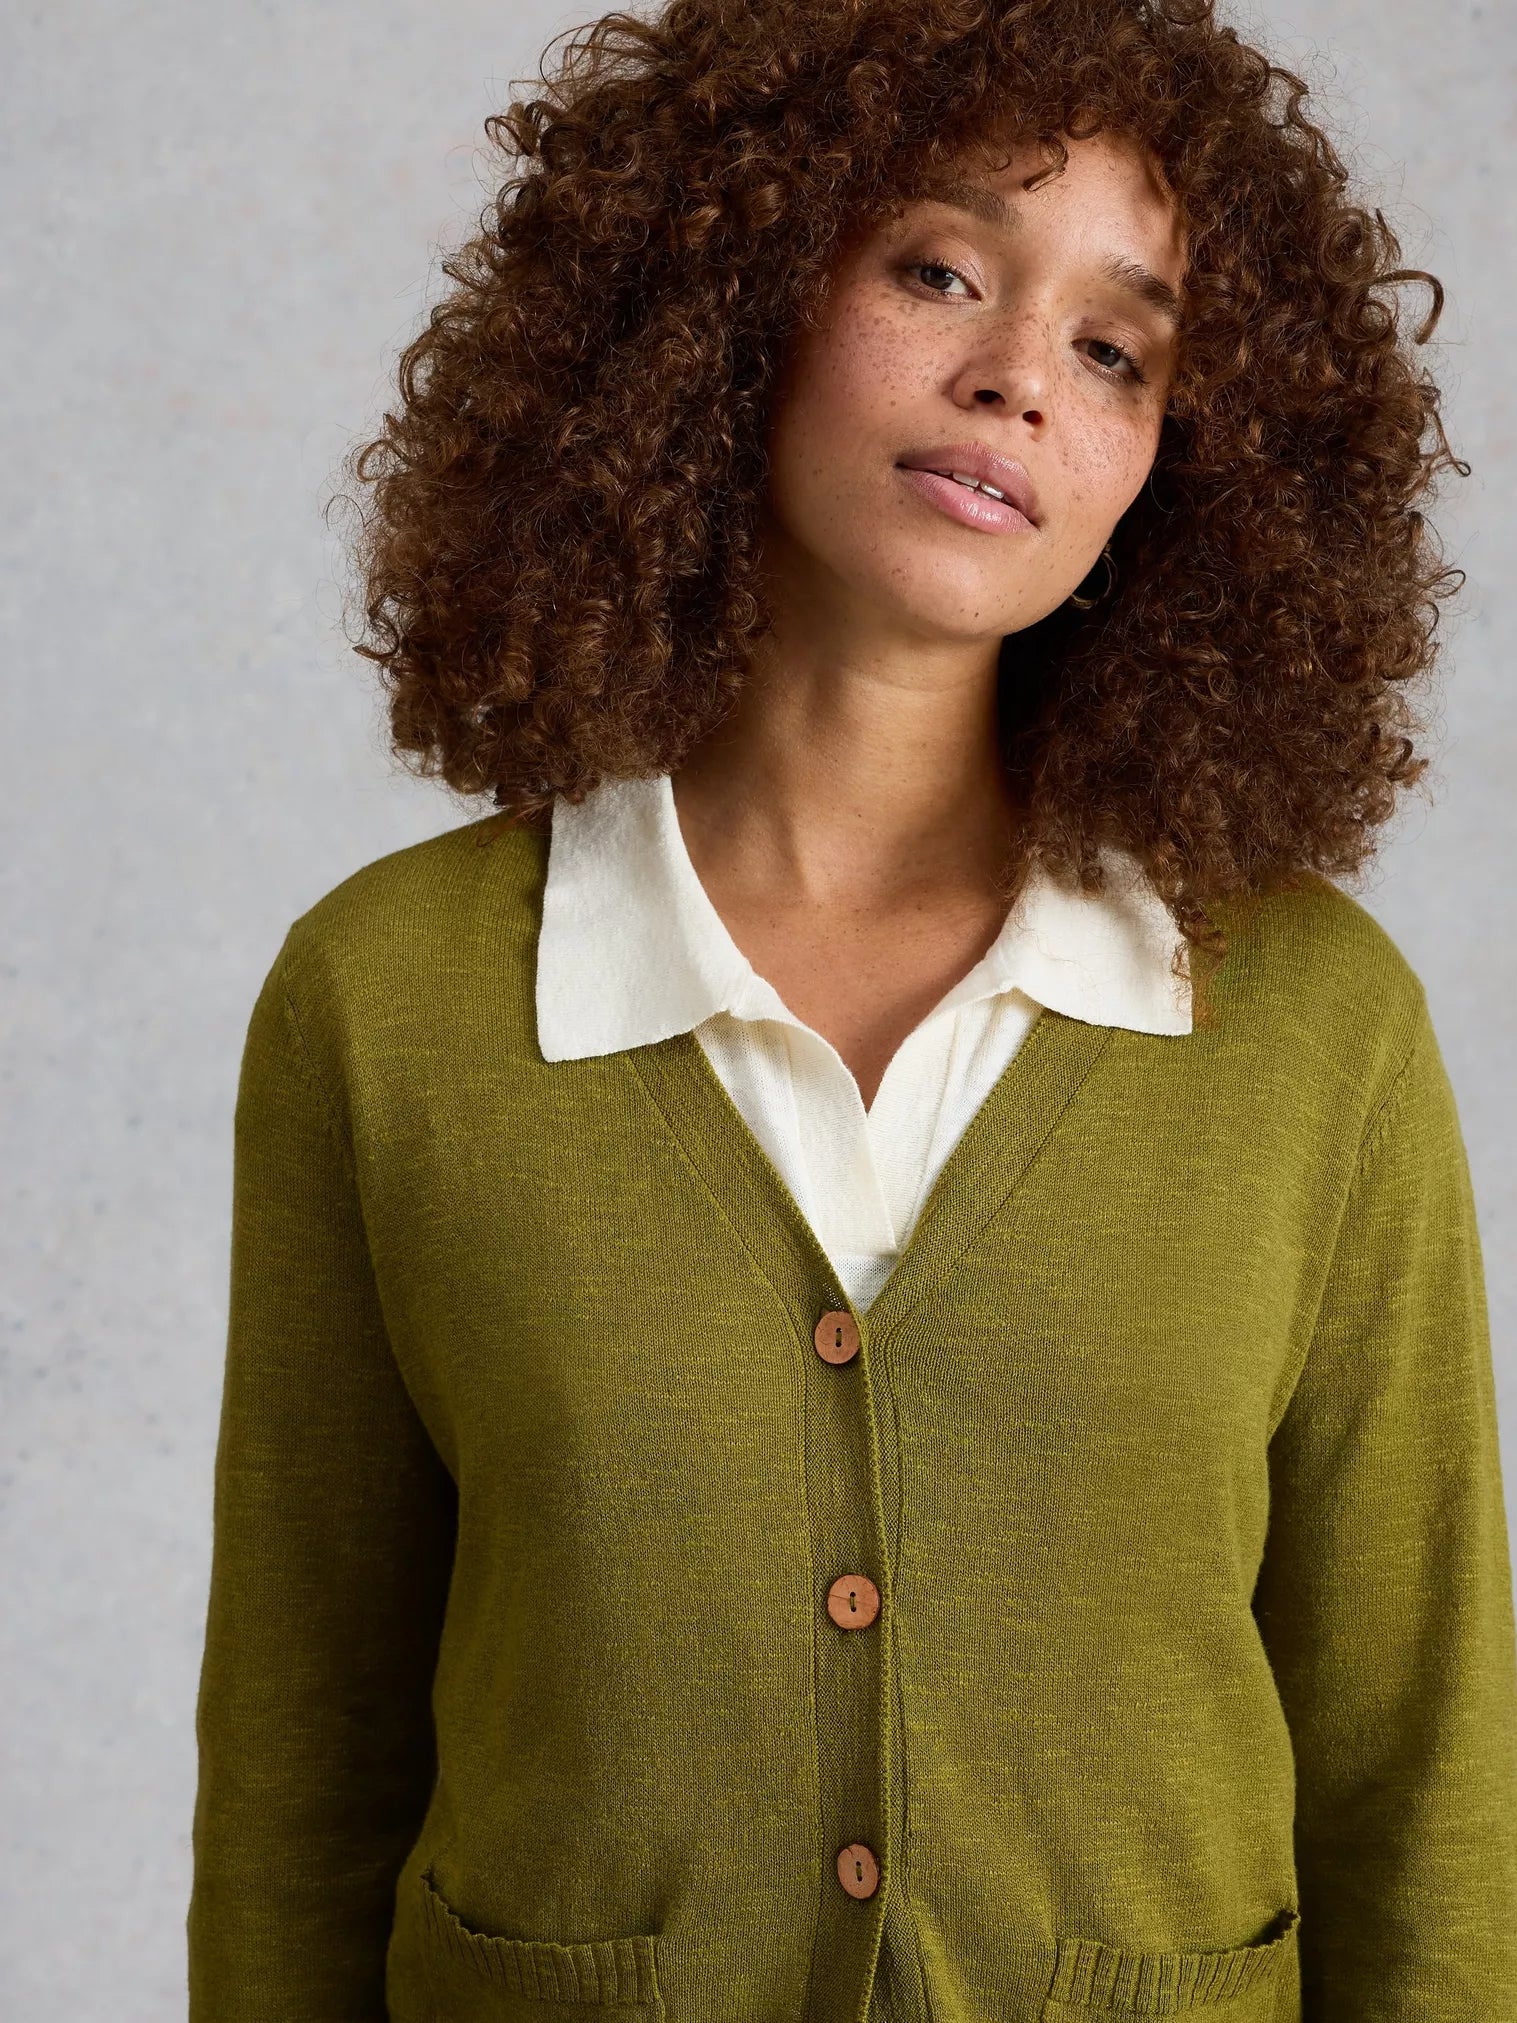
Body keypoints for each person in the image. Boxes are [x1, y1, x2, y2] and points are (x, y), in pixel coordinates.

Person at [186, 1, 1517, 2018]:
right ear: (731, 288)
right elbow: (305, 1768)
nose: (1015, 385)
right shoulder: (394, 1005)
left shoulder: (1312, 1025)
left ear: (1184, 458)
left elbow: (1425, 1775)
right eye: (938, 271)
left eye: (1114, 350)